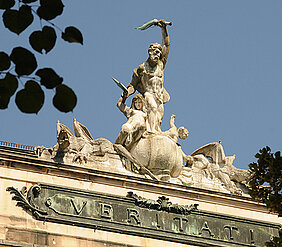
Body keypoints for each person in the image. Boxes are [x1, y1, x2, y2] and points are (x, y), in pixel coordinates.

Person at [125, 19, 170, 133]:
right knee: (152, 108)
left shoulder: (161, 64)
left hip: (159, 95)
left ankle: (155, 131)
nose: (157, 54)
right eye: (155, 52)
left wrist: (163, 29)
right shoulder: (142, 68)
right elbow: (133, 85)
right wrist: (126, 93)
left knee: (158, 118)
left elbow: (166, 44)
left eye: (159, 53)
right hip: (148, 93)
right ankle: (151, 132)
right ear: (149, 52)